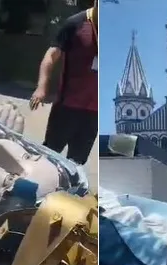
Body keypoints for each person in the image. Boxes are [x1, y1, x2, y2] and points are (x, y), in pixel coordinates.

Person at [29, 0, 97, 165]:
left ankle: (68, 190)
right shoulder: (75, 24)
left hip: (94, 113)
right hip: (68, 106)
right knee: (50, 155)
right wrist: (41, 87)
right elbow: (51, 56)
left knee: (77, 163)